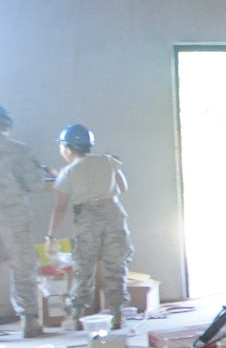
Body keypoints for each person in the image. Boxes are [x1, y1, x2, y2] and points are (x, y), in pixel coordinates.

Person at [45, 125, 129, 330]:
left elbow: (60, 208)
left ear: (68, 148)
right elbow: (123, 188)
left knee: (84, 268)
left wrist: (51, 236)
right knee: (116, 266)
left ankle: (75, 317)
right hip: (113, 214)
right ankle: (117, 314)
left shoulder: (69, 172)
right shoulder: (108, 160)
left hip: (88, 219)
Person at [0, 108, 49, 334]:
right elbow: (35, 184)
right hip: (13, 217)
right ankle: (29, 320)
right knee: (22, 267)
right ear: (6, 125)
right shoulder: (19, 150)